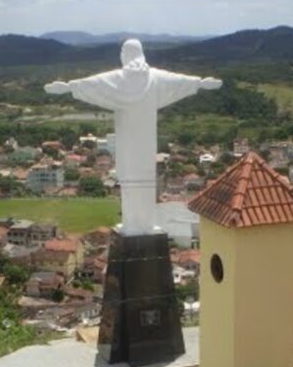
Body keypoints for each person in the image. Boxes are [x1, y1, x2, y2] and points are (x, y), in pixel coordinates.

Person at [45, 39, 222, 235]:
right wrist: (200, 83)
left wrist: (70, 87)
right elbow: (178, 81)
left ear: (125, 54)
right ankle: (146, 225)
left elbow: (96, 84)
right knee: (145, 181)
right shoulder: (155, 77)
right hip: (145, 140)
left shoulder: (119, 79)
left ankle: (133, 224)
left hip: (128, 140)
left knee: (130, 181)